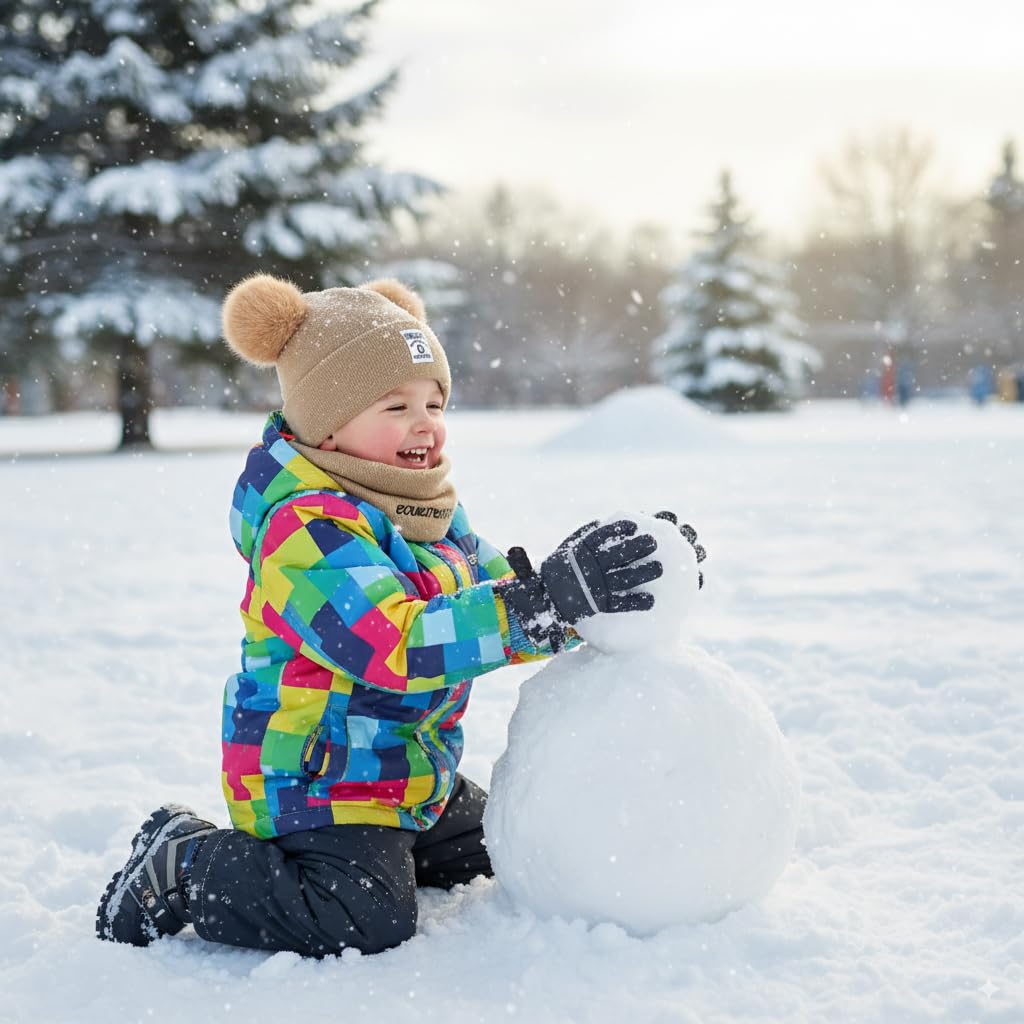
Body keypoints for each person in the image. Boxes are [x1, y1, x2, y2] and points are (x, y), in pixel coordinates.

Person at [95, 274, 706, 958]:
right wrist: (540, 604)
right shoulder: (304, 528)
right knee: (364, 917)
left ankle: (395, 844)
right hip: (319, 783)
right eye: (396, 405)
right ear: (327, 424)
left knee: (519, 842)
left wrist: (588, 593)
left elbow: (495, 595)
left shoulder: (423, 509)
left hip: (407, 774)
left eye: (434, 402)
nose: (426, 423)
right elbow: (396, 644)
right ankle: (185, 863)